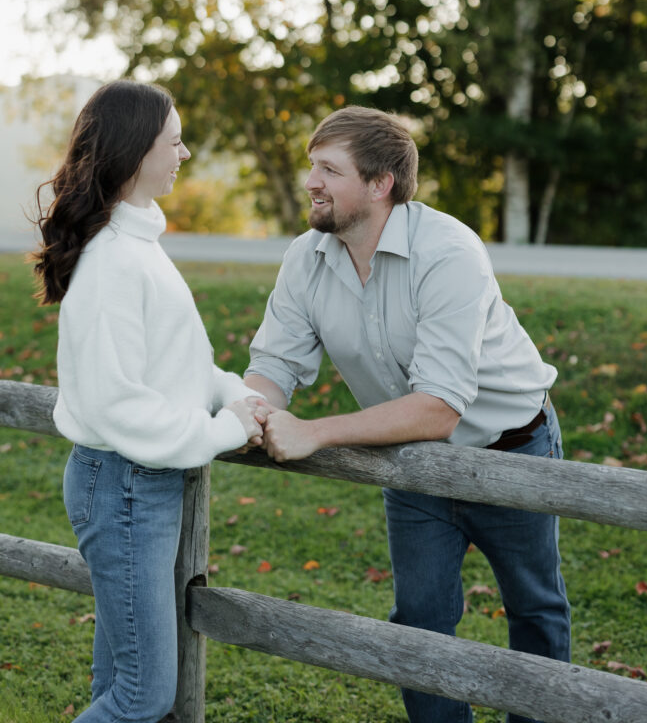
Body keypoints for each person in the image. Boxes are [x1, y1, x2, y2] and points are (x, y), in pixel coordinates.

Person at [244, 105, 571, 723]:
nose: (310, 181)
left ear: (379, 184)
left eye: (328, 169)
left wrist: (312, 433)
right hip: (410, 462)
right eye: (311, 165)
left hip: (512, 449)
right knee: (418, 620)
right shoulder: (305, 258)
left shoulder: (448, 250)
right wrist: (249, 414)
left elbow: (439, 407)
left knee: (534, 608)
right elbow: (274, 366)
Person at [32, 79, 267, 723]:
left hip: (136, 484)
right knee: (143, 696)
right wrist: (223, 429)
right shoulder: (114, 262)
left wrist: (237, 395)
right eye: (174, 141)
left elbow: (179, 364)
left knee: (119, 680)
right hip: (126, 484)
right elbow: (119, 405)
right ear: (137, 153)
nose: (184, 154)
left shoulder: (138, 247)